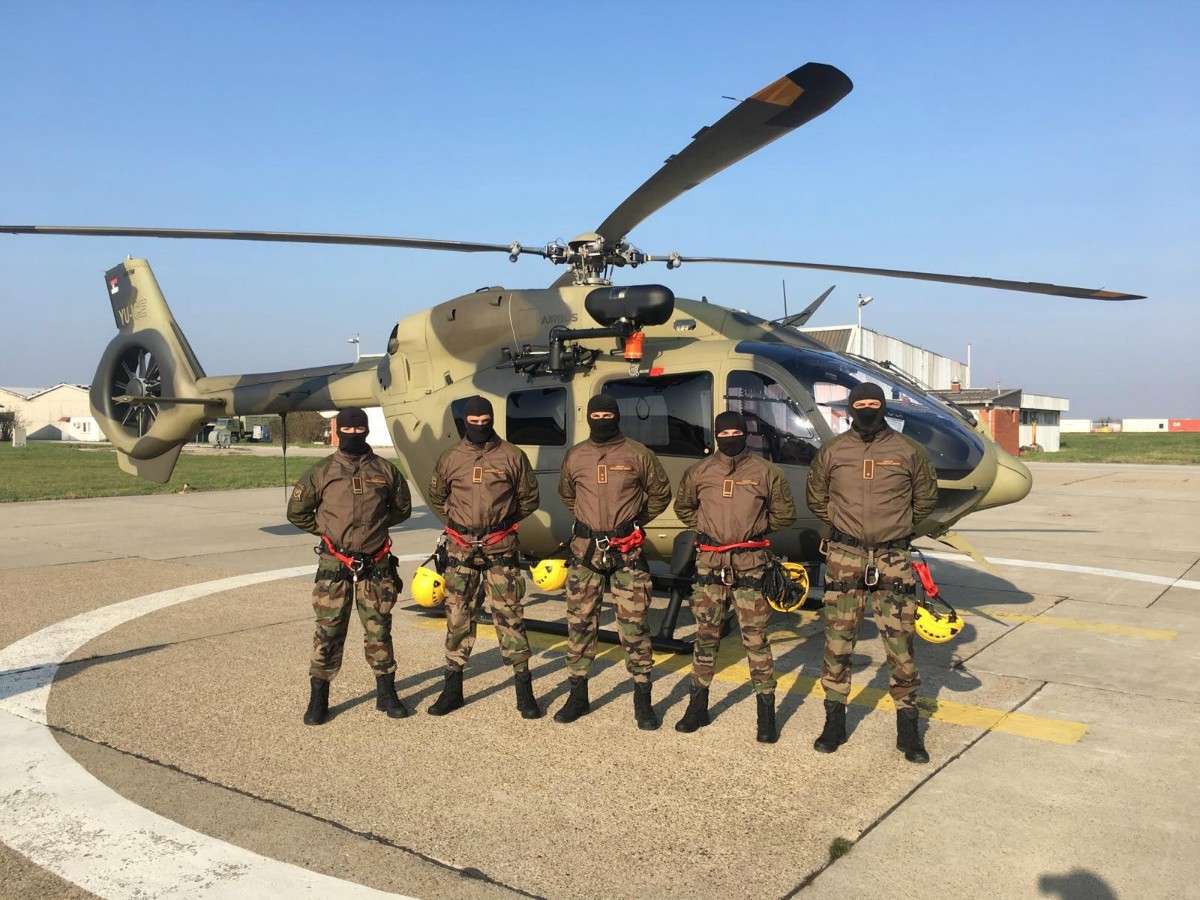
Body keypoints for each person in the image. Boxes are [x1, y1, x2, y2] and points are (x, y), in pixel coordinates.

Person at [805, 382, 939, 763]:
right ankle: (834, 722)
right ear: (851, 408)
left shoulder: (909, 451)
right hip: (845, 555)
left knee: (901, 647)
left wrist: (896, 526)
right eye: (860, 403)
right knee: (837, 643)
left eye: (873, 403)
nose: (867, 408)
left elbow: (926, 498)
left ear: (883, 407)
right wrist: (842, 523)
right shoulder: (833, 451)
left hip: (892, 557)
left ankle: (908, 730)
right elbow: (816, 496)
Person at [673, 410, 796, 742]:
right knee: (705, 636)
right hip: (710, 564)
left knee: (756, 639)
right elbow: (684, 507)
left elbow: (785, 513)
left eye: (735, 433)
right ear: (716, 436)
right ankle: (697, 707)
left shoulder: (766, 472)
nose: (730, 439)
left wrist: (752, 531)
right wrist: (709, 528)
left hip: (750, 564)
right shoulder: (698, 472)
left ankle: (766, 715)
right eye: (724, 434)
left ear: (745, 435)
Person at [286, 407, 412, 726]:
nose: (353, 435)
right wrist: (328, 530)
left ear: (366, 431)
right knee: (328, 631)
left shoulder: (385, 470)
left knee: (379, 629)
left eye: (359, 430)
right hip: (334, 565)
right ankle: (319, 698)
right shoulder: (321, 472)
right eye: (348, 430)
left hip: (375, 564)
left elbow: (402, 509)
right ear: (338, 431)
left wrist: (375, 528)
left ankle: (387, 693)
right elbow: (297, 512)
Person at [554, 394, 672, 729]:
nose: (602, 420)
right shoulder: (575, 455)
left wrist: (633, 522)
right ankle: (578, 695)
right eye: (597, 415)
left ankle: (642, 699)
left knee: (634, 627)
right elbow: (567, 494)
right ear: (589, 418)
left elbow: (661, 493)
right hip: (585, 551)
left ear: (617, 417)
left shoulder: (638, 454)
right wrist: (589, 523)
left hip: (626, 551)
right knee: (580, 625)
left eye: (608, 415)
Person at [425, 395, 542, 718]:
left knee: (510, 617)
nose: (480, 427)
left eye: (485, 422)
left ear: (492, 420)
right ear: (465, 422)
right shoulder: (451, 457)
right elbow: (438, 495)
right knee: (457, 617)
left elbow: (529, 499)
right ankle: (452, 689)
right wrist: (460, 521)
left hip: (500, 548)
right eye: (473, 422)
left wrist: (500, 523)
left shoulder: (512, 456)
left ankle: (524, 691)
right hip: (460, 549)